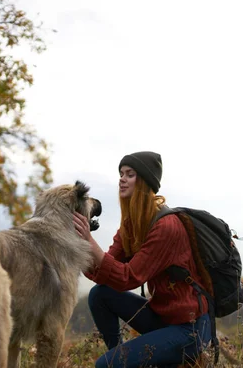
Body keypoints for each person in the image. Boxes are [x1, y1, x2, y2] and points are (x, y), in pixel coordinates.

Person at [73, 151, 212, 368]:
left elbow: (128, 277)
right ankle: (123, 358)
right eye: (121, 173)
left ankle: (179, 357)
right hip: (162, 318)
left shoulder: (166, 227)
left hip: (190, 329)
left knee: (104, 365)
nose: (122, 178)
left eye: (130, 174)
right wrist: (79, 242)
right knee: (100, 295)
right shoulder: (132, 223)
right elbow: (104, 272)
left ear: (145, 181)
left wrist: (89, 240)